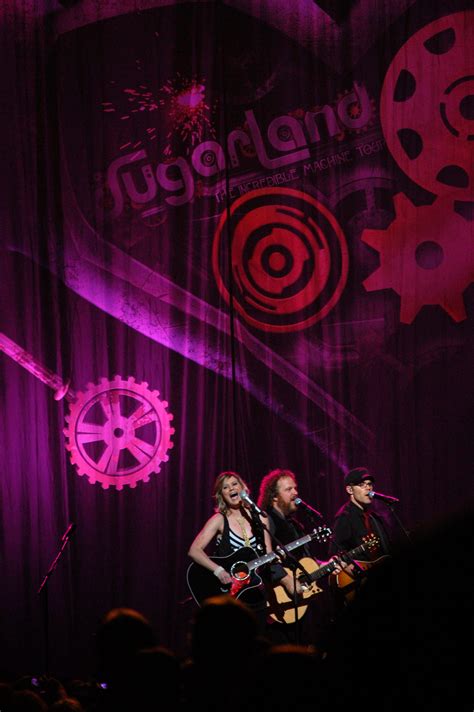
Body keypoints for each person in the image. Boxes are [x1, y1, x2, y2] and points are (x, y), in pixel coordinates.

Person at [187, 471, 301, 632]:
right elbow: (194, 550)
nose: (231, 489)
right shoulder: (219, 520)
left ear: (243, 488)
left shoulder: (261, 518)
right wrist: (218, 570)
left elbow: (268, 555)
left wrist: (277, 557)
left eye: (234, 484)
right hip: (230, 596)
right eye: (225, 487)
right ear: (222, 495)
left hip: (255, 593)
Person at [257, 468, 340, 648]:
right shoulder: (268, 520)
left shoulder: (295, 524)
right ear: (274, 497)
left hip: (302, 603)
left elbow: (305, 561)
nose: (295, 493)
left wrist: (326, 565)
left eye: (295, 488)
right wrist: (286, 580)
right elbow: (264, 556)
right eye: (288, 489)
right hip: (279, 602)